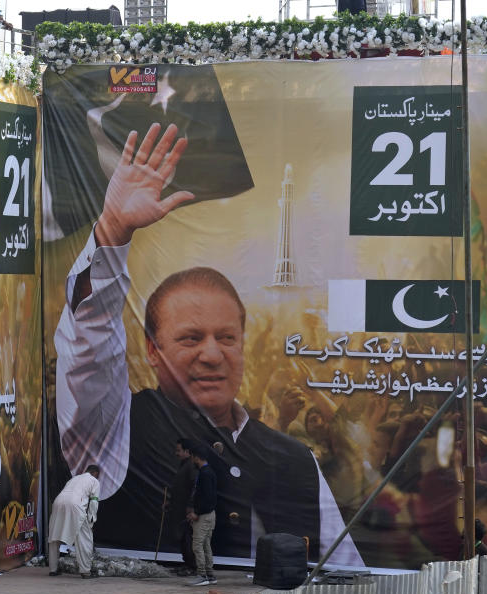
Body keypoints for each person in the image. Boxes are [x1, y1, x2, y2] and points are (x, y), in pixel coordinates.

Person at [54, 122, 362, 565]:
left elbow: (341, 569)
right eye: (191, 338)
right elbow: (88, 344)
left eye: (226, 338)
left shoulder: (295, 462)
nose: (212, 354)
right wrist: (112, 233)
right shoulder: (111, 429)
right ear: (152, 350)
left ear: (243, 344)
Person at [47, 465, 101, 579]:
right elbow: (94, 502)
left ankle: (53, 569)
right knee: (85, 539)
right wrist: (91, 520)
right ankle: (85, 571)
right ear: (95, 473)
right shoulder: (94, 481)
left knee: (53, 537)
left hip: (58, 503)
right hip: (75, 505)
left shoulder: (74, 478)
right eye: (98, 475)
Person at [187, 443, 217, 586]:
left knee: (197, 545)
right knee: (206, 545)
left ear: (196, 457)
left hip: (204, 515)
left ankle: (202, 575)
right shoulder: (209, 472)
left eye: (192, 456)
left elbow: (207, 497)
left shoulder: (205, 474)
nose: (191, 459)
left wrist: (196, 512)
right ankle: (210, 575)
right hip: (209, 514)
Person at [170, 439, 197, 575]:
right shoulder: (183, 465)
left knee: (188, 537)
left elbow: (195, 486)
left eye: (179, 451)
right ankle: (187, 563)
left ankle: (192, 567)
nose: (176, 453)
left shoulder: (191, 465)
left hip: (187, 509)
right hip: (179, 508)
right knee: (182, 537)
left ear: (187, 452)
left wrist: (191, 506)